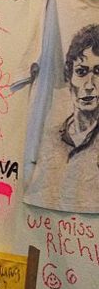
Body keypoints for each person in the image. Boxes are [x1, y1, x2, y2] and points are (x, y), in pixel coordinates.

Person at [24, 24, 99, 213]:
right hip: (39, 216)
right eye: (81, 72)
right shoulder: (51, 136)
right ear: (68, 76)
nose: (89, 85)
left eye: (98, 72)